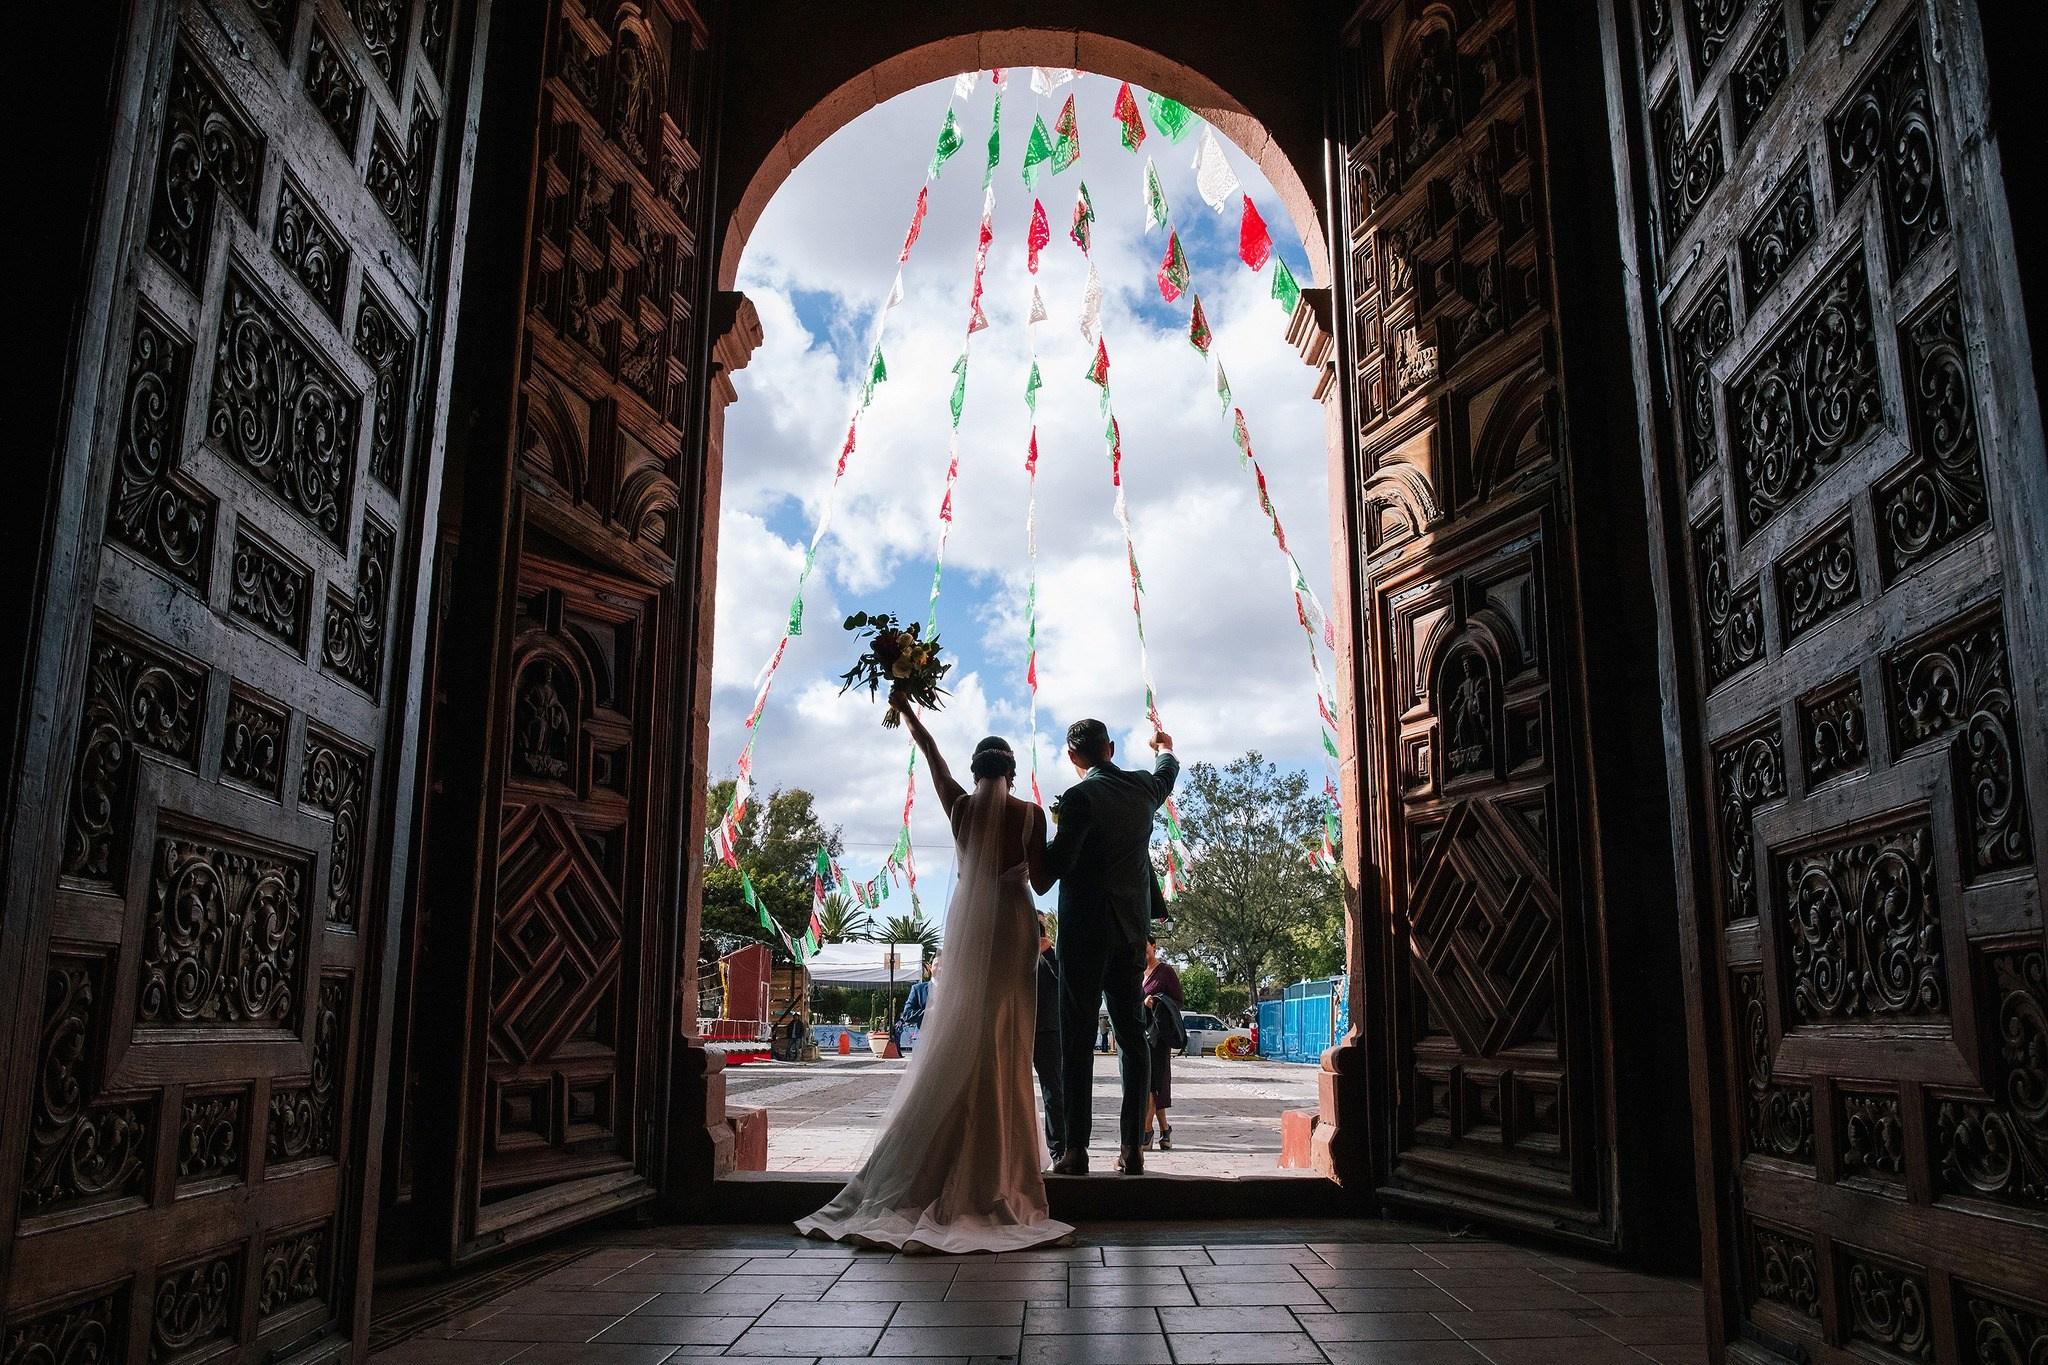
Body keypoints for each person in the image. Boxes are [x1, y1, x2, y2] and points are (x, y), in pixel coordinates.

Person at [795, 693, 1073, 1252]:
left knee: (963, 1031)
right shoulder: (1031, 815)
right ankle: (1000, 1168)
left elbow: (932, 759)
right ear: (1013, 773)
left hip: (973, 930)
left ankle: (933, 1154)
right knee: (1005, 1039)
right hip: (1015, 925)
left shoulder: (961, 808)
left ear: (975, 773)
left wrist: (907, 709)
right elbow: (1042, 884)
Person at [1033, 717, 1179, 1176]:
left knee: (1076, 1040)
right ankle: (1133, 1149)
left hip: (1084, 935)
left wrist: (1033, 835)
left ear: (1073, 757)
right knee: (1132, 1040)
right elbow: (1165, 776)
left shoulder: (1078, 798)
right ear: (1111, 748)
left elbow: (1053, 869)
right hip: (1131, 934)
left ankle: (1075, 1150)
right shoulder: (1141, 789)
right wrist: (1164, 748)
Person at [1142, 936, 1185, 1150]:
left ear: (1154, 946)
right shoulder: (1135, 972)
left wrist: (1157, 1002)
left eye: (1145, 946)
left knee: (1153, 1084)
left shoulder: (1165, 972)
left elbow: (1178, 1000)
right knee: (1151, 1085)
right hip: (1139, 1033)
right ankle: (1165, 1130)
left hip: (1158, 1036)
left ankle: (1146, 1132)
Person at [1033, 916, 1064, 1161]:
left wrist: (1049, 952)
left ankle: (1058, 1150)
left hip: (1048, 1031)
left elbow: (1063, 983)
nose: (1038, 930)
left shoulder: (1052, 957)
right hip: (1019, 1028)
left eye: (1041, 925)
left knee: (1053, 1093)